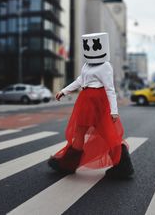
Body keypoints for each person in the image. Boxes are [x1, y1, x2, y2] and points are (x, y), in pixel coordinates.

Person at [48, 32, 134, 178]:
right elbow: (80, 80)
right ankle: (68, 165)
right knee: (79, 133)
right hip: (85, 101)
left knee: (108, 133)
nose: (91, 48)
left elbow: (110, 89)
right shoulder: (86, 65)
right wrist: (64, 91)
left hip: (99, 102)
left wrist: (114, 111)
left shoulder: (106, 66)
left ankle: (123, 166)